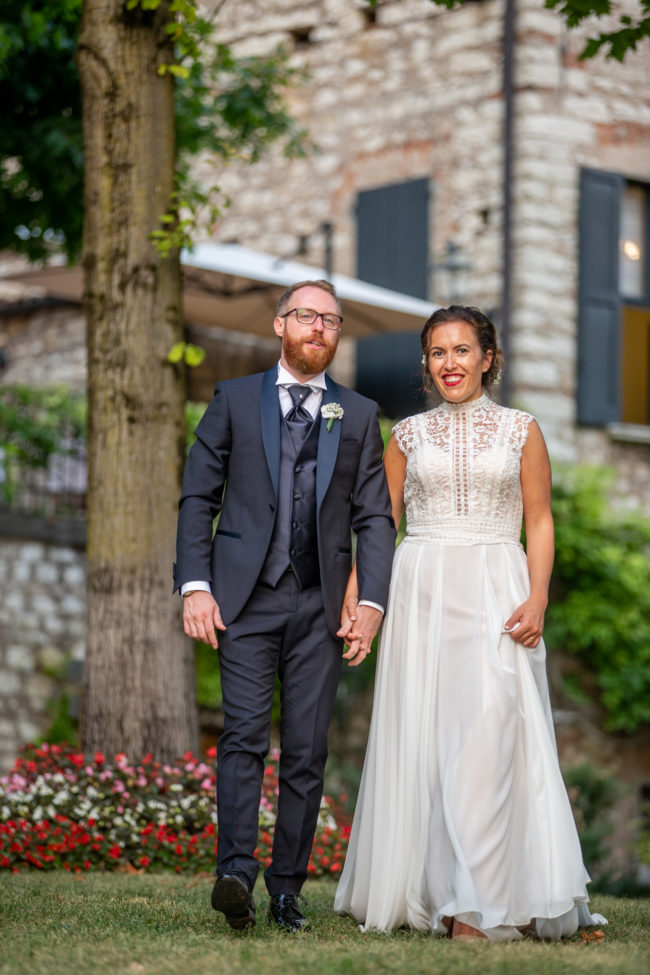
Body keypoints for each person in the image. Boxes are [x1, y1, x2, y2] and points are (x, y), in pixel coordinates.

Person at [335, 305, 607, 941]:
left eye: (461, 350)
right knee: (428, 746)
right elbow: (380, 524)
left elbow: (539, 520)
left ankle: (483, 901)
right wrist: (359, 598)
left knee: (491, 739)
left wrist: (538, 597)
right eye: (437, 353)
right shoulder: (406, 435)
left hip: (497, 589)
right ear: (426, 364)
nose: (449, 363)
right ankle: (443, 897)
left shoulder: (522, 430)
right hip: (422, 591)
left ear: (488, 358)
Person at [173, 279, 396, 933]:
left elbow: (375, 517)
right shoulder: (234, 399)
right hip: (243, 600)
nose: (318, 327)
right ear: (280, 324)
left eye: (331, 319)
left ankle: (288, 890)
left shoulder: (358, 413)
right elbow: (199, 497)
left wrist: (371, 601)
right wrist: (195, 585)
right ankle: (235, 875)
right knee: (242, 737)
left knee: (305, 750)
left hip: (321, 606)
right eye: (306, 315)